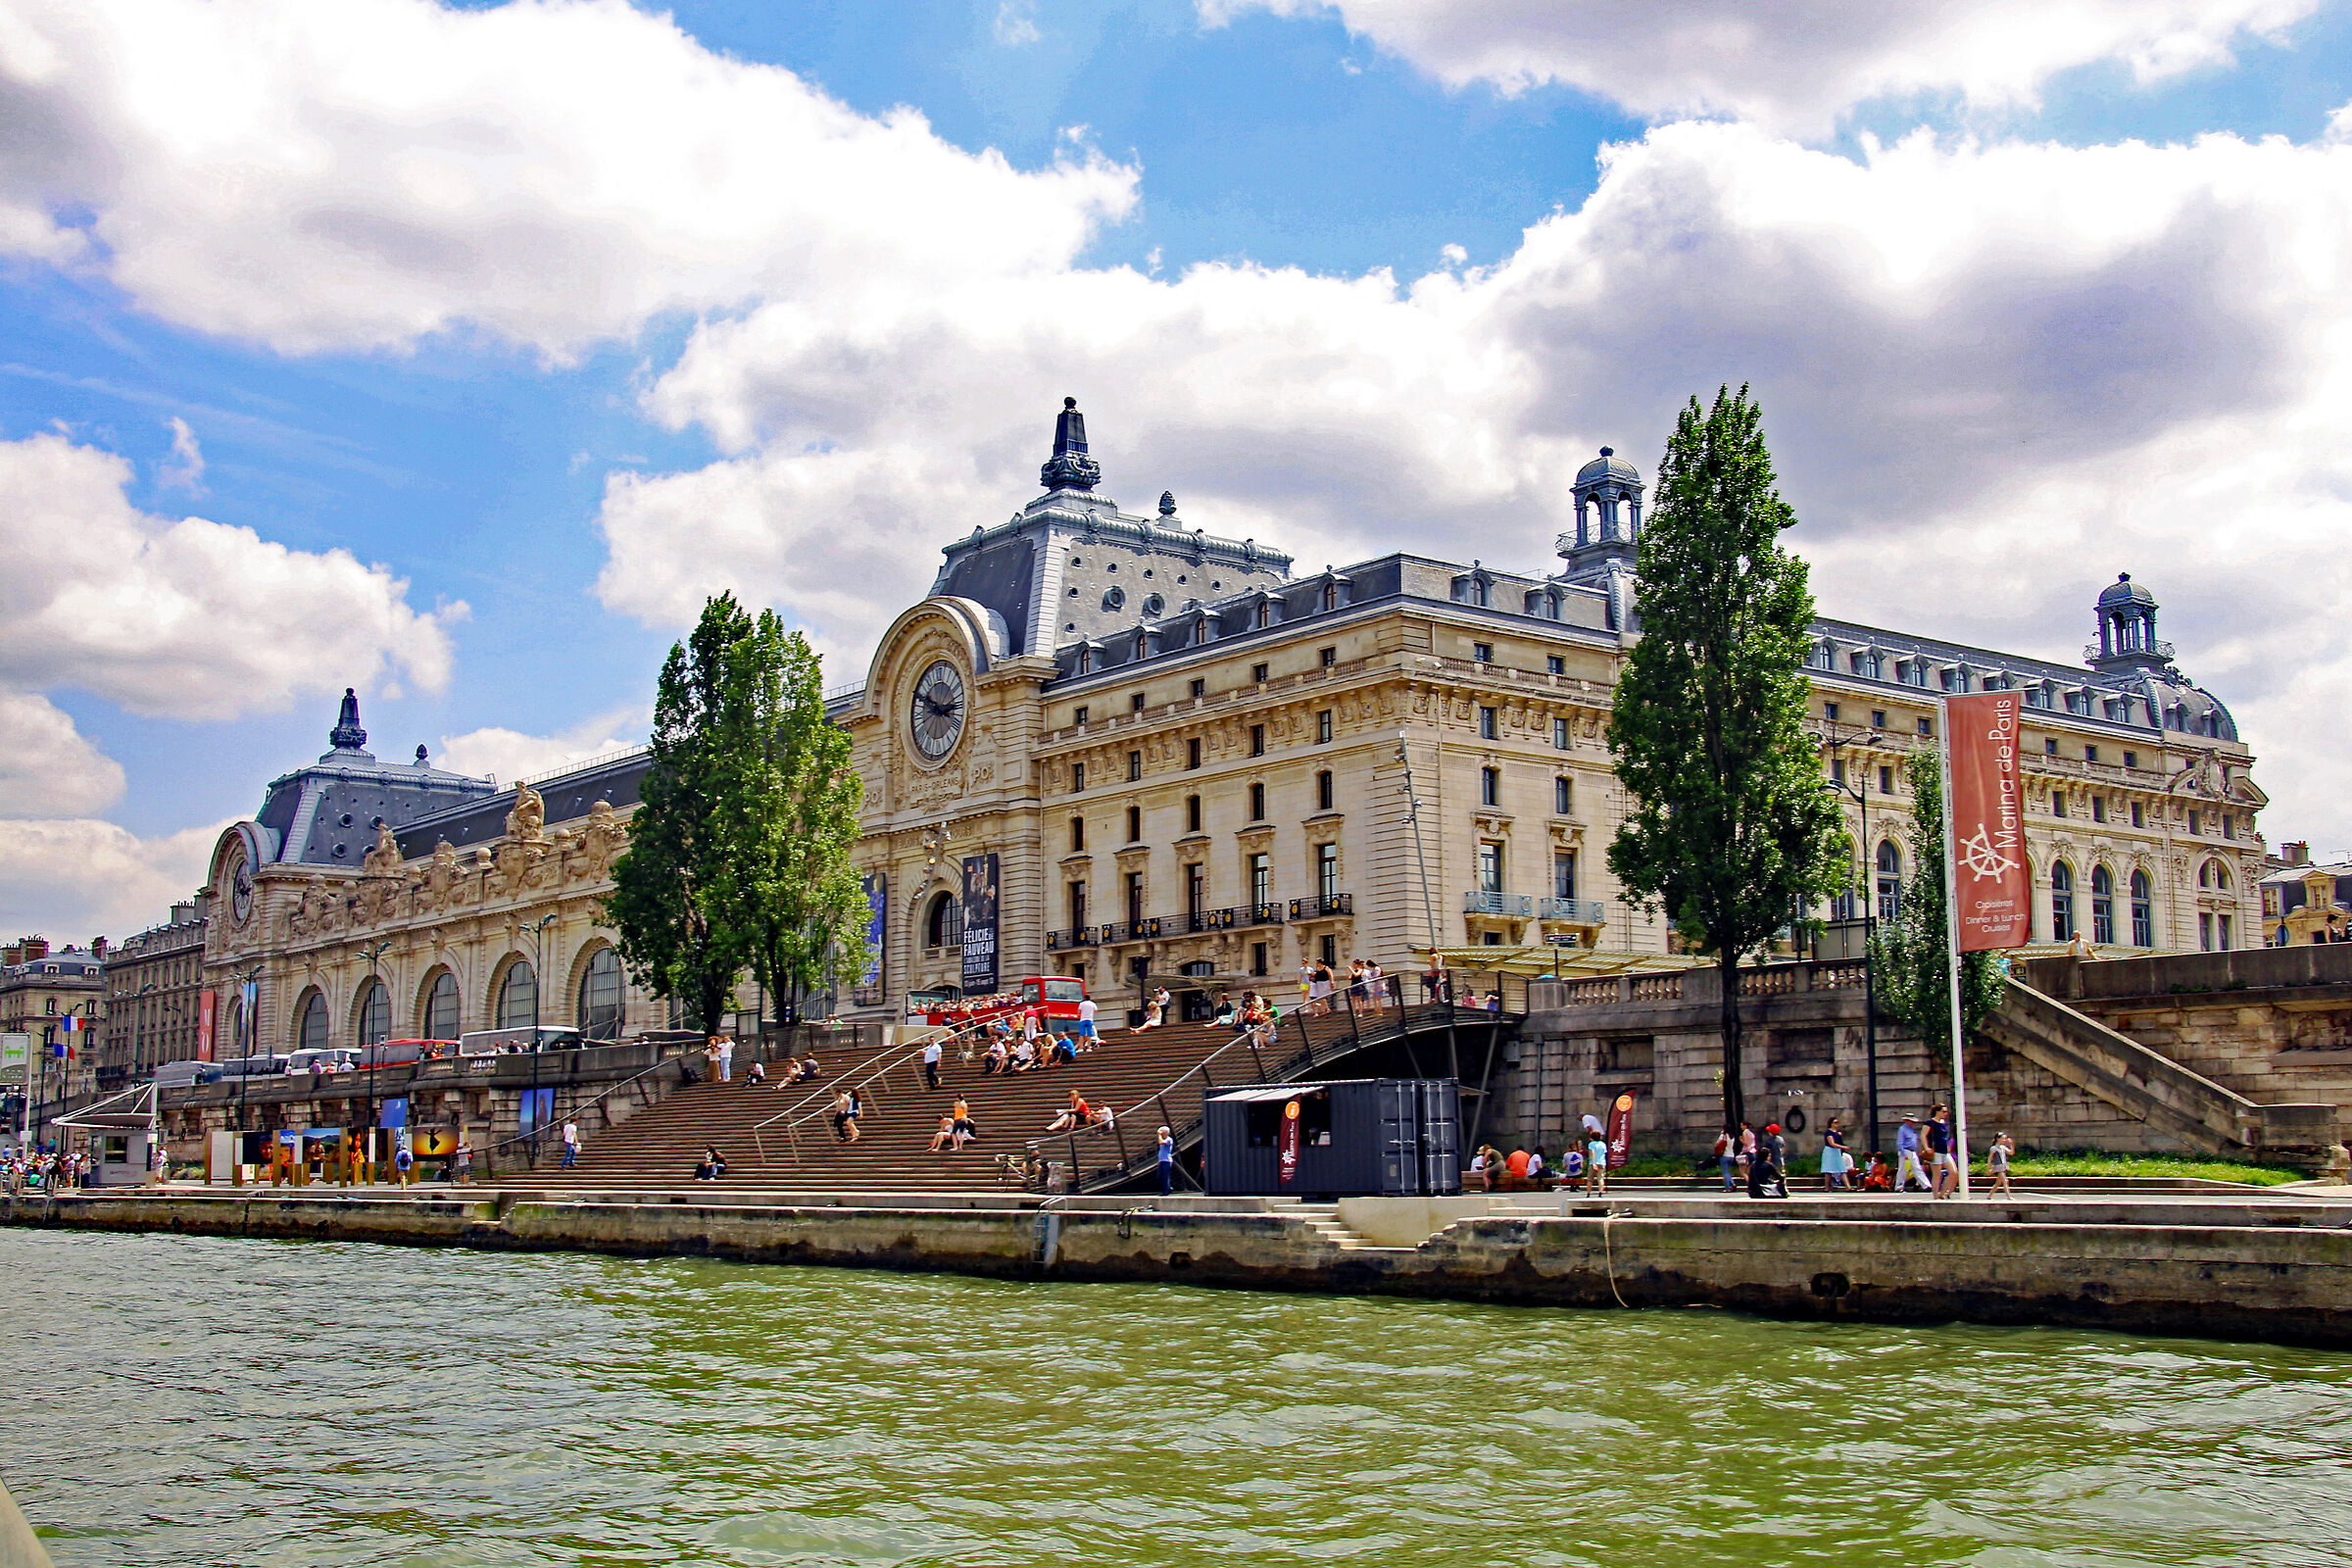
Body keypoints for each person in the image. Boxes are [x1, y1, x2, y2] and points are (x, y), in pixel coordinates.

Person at [1928, 1104, 1960, 1199]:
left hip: (1945, 1151)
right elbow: (1923, 1135)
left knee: (1954, 1172)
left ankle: (1942, 1193)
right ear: (1937, 1111)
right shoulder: (1930, 1123)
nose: (1946, 1114)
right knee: (1937, 1175)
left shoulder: (1943, 1123)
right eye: (1944, 1111)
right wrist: (1926, 1148)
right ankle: (1935, 1196)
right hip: (1936, 1150)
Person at [1893, 1115, 1929, 1193]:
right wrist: (1903, 1153)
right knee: (1903, 1169)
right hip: (1905, 1151)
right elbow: (1900, 1143)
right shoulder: (1902, 1129)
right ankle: (1899, 1186)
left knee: (1917, 1168)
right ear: (1907, 1121)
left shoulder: (1911, 1130)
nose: (1912, 1123)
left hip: (1912, 1151)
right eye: (1911, 1121)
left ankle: (1926, 1185)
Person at [1819, 1116, 1850, 1191]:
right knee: (1828, 1170)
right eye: (1835, 1122)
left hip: (1836, 1152)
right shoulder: (1828, 1132)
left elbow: (1838, 1141)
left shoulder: (1836, 1133)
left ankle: (1848, 1187)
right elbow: (1832, 1143)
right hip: (1830, 1151)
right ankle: (1827, 1187)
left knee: (1842, 1169)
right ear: (1831, 1123)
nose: (1836, 1124)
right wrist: (1843, 1147)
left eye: (1837, 1123)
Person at [1988, 1131, 2015, 1196]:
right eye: (2003, 1138)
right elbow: (1990, 1158)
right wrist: (1988, 1168)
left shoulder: (2003, 1147)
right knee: (2005, 1181)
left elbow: (2011, 1153)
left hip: (2003, 1165)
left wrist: (2011, 1144)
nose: (2004, 1140)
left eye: (2005, 1139)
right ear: (1998, 1139)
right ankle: (2009, 1196)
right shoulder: (1994, 1148)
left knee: (1998, 1183)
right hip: (1998, 1166)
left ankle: (1989, 1195)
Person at [1586, 1127, 1610, 1196]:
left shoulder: (1591, 1144)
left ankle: (1588, 1193)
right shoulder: (1603, 1144)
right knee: (1600, 1178)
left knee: (1590, 1179)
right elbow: (1604, 1153)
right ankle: (1600, 1192)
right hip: (1602, 1162)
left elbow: (1592, 1153)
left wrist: (1593, 1163)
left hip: (1593, 1163)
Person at [1712, 1126, 1738, 1192]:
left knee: (1725, 1172)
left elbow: (1717, 1144)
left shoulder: (1723, 1136)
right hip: (1731, 1155)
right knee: (1727, 1172)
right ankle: (1732, 1183)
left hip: (1724, 1155)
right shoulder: (1732, 1137)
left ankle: (1728, 1188)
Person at [1156, 1125, 1177, 1196]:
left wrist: (1159, 1134)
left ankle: (1165, 1191)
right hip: (1162, 1160)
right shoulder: (1163, 1139)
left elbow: (1161, 1142)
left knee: (1165, 1176)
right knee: (1159, 1176)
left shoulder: (1169, 1139)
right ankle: (1168, 1188)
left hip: (1167, 1160)